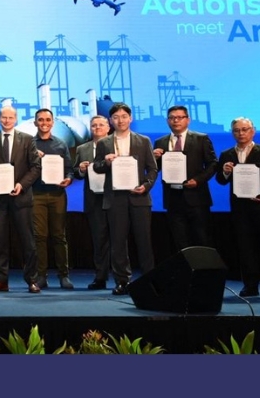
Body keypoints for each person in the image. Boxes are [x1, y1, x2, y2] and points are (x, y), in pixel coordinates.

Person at [93, 102, 158, 295]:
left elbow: (152, 169)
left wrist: (146, 185)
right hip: (115, 198)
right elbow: (96, 167)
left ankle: (149, 280)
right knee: (118, 242)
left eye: (124, 116)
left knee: (144, 241)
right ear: (111, 121)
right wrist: (105, 162)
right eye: (116, 117)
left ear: (131, 118)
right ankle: (122, 281)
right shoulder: (104, 143)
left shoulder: (143, 141)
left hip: (139, 197)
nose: (120, 120)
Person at [0, 106, 42, 293]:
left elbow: (35, 167)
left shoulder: (27, 139)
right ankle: (2, 280)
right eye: (4, 117)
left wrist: (22, 184)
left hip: (21, 198)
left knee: (27, 241)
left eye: (10, 117)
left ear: (16, 119)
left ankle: (32, 279)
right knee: (0, 242)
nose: (7, 120)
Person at [152, 105, 218, 251]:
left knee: (202, 239)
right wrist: (154, 159)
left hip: (197, 198)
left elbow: (213, 164)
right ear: (167, 121)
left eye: (179, 117)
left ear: (188, 120)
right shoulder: (160, 142)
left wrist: (198, 180)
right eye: (172, 118)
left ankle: (204, 266)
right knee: (180, 241)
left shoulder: (201, 138)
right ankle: (185, 267)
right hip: (172, 198)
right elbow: (156, 168)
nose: (175, 121)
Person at [215, 118, 260, 297]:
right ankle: (250, 285)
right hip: (240, 209)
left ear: (253, 131)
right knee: (245, 247)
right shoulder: (226, 154)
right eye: (236, 130)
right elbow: (220, 180)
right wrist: (225, 172)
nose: (241, 133)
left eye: (244, 129)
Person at [31, 108, 75, 289]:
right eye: (41, 120)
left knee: (59, 236)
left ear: (52, 123)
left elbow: (69, 169)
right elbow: (22, 169)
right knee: (39, 237)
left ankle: (64, 275)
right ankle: (41, 276)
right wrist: (34, 157)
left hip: (57, 194)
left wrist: (69, 179)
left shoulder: (60, 144)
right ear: (35, 122)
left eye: (48, 120)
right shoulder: (29, 144)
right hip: (36, 194)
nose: (44, 123)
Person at [73, 115, 112, 290]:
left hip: (115, 197)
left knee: (119, 239)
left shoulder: (117, 145)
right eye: (94, 125)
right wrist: (81, 169)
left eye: (101, 125)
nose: (97, 128)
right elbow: (76, 172)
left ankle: (122, 278)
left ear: (108, 128)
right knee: (99, 239)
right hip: (94, 199)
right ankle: (100, 277)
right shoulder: (83, 148)